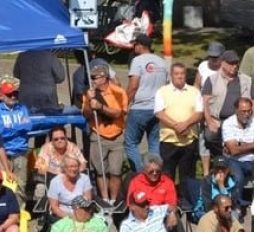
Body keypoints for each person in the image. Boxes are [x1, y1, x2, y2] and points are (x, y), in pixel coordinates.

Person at [82, 65, 128, 205]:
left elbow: (119, 113)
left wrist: (101, 107)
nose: (92, 81)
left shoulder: (119, 92)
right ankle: (105, 200)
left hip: (116, 136)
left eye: (94, 78)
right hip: (98, 135)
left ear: (104, 78)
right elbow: (86, 114)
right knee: (100, 170)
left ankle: (114, 200)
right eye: (91, 78)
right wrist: (90, 103)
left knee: (116, 170)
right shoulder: (89, 93)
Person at [154, 62, 204, 185]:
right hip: (168, 140)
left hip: (189, 139)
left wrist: (185, 124)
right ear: (171, 75)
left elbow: (199, 113)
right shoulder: (162, 91)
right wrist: (177, 126)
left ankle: (186, 201)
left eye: (182, 73)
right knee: (167, 174)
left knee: (188, 175)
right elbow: (159, 113)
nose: (180, 76)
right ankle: (169, 200)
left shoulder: (194, 92)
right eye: (176, 74)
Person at [124, 34, 168, 171]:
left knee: (130, 143)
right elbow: (166, 85)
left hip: (140, 107)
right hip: (157, 109)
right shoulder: (162, 62)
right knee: (154, 144)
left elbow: (133, 85)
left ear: (140, 45)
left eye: (135, 44)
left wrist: (124, 104)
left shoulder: (137, 61)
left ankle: (141, 173)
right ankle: (155, 171)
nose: (133, 47)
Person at [202, 50, 252, 157]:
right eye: (231, 63)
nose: (234, 66)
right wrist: (209, 121)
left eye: (235, 63)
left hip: (238, 120)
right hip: (217, 119)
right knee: (210, 137)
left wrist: (250, 119)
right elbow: (205, 102)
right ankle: (221, 156)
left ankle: (234, 158)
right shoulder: (212, 79)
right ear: (222, 63)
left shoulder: (245, 80)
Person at [0, 81, 32, 190]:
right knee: (1, 184)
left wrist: (10, 127)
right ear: (2, 96)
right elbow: (0, 132)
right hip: (3, 152)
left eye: (15, 94)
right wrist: (19, 127)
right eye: (9, 94)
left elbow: (28, 126)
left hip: (21, 152)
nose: (13, 96)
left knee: (21, 185)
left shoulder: (22, 108)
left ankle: (19, 207)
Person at [221, 97, 254, 201]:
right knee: (238, 178)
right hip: (234, 160)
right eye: (243, 111)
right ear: (236, 110)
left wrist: (240, 144)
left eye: (249, 110)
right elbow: (233, 151)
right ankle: (237, 207)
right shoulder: (228, 123)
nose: (247, 114)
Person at [195, 42, 226, 176]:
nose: (212, 60)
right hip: (204, 108)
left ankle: (222, 165)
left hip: (221, 109)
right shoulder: (203, 66)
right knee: (204, 139)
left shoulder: (225, 69)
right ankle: (206, 171)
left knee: (218, 138)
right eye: (211, 57)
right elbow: (196, 85)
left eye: (216, 57)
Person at [47, 156, 93, 220]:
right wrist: (70, 217)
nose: (74, 169)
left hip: (82, 213)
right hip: (62, 215)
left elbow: (88, 201)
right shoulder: (55, 182)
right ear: (64, 168)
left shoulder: (84, 179)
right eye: (71, 166)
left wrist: (80, 216)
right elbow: (54, 207)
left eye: (76, 166)